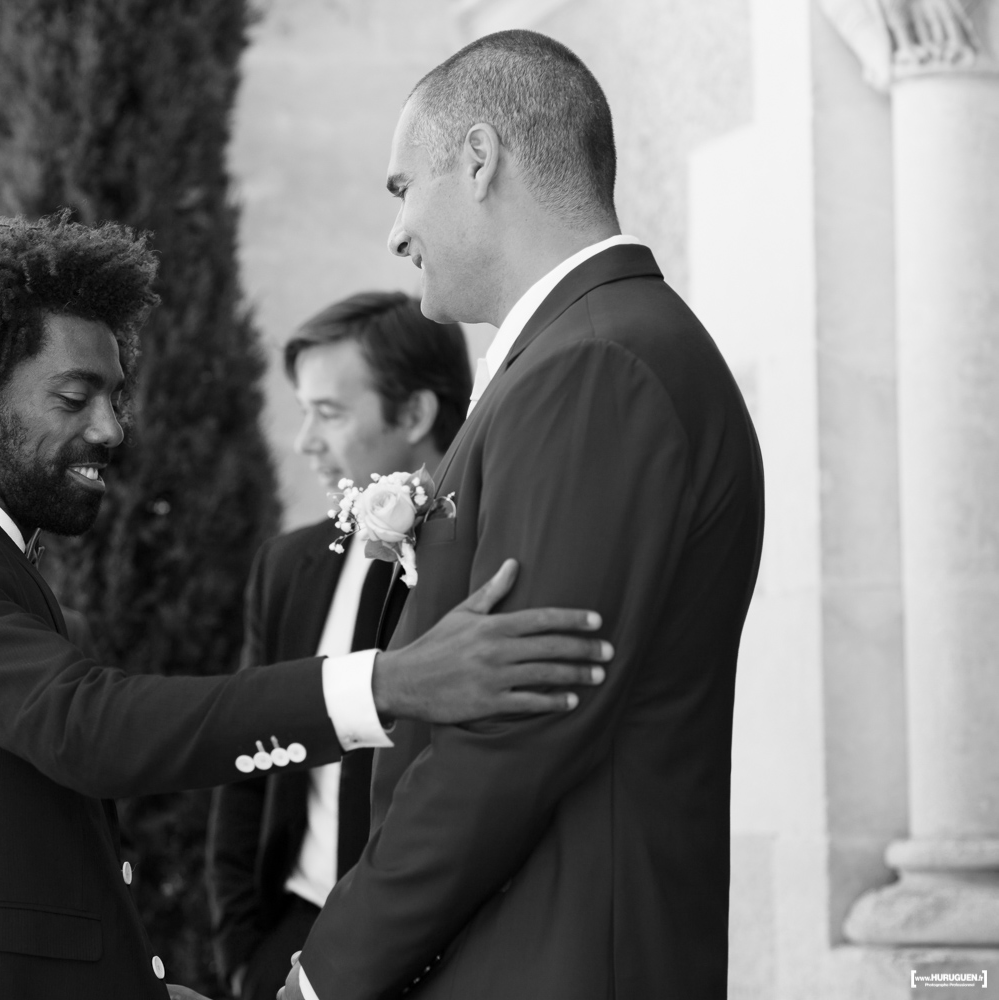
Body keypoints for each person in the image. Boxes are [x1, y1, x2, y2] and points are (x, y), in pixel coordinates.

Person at [0, 215, 614, 1000]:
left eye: (116, 397)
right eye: (74, 397)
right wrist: (388, 683)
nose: (112, 429)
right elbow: (88, 729)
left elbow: (1, 850)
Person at [285, 31, 765, 1000]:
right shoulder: (587, 348)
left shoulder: (596, 366)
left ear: (479, 159)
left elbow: (509, 736)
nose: (396, 233)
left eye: (401, 189)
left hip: (558, 956)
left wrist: (326, 976)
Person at [206, 291, 471, 1000]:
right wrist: (245, 954)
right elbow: (245, 754)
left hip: (442, 959)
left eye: (329, 412)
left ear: (414, 414)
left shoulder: (480, 560)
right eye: (304, 411)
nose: (304, 442)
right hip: (289, 941)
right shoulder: (286, 567)